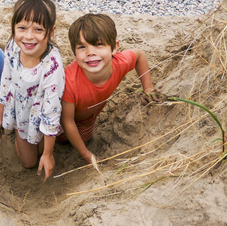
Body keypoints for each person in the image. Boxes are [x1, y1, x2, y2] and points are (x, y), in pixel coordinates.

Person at [60, 13, 157, 164]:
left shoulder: (119, 63)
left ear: (114, 48)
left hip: (87, 120)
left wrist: (148, 88)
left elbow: (138, 55)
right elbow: (67, 122)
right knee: (54, 139)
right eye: (81, 47)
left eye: (98, 44)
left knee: (85, 138)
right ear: (74, 52)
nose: (90, 52)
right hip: (59, 120)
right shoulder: (69, 82)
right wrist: (86, 154)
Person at [0, 0, 65, 182]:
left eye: (38, 30)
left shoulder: (52, 66)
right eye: (22, 28)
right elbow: (5, 81)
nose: (29, 37)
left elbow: (52, 111)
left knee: (44, 149)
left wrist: (48, 154)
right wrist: (1, 117)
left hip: (41, 113)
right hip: (20, 112)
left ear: (51, 31)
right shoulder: (13, 47)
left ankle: (43, 147)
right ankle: (18, 134)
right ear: (14, 27)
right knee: (28, 163)